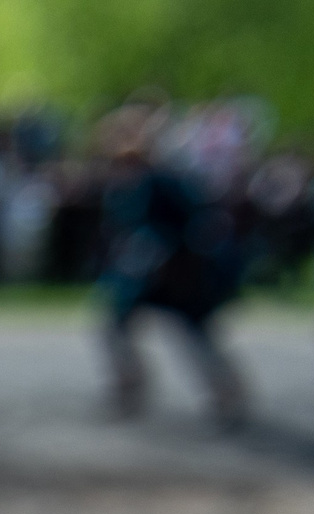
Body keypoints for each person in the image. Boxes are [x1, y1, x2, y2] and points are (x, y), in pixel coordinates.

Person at [96, 100, 247, 423]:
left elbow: (200, 222)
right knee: (115, 325)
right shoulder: (123, 183)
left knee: (195, 333)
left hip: (176, 270)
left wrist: (187, 259)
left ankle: (228, 394)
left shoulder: (165, 180)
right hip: (142, 273)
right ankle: (130, 386)